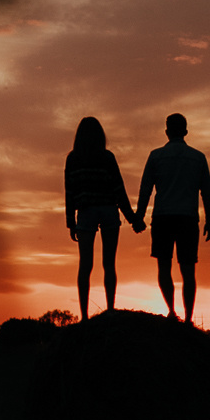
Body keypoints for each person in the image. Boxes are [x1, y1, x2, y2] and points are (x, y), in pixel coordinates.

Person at [136, 113, 210, 322]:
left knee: (164, 266)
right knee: (188, 270)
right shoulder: (198, 158)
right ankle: (188, 318)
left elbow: (145, 189)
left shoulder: (155, 156)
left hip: (163, 217)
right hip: (188, 218)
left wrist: (139, 216)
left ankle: (171, 311)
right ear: (186, 132)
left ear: (167, 132)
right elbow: (206, 191)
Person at [64, 116, 142, 320]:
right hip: (108, 210)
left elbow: (69, 191)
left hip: (86, 211)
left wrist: (70, 221)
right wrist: (132, 218)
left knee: (85, 265)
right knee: (109, 263)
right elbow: (119, 189)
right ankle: (110, 309)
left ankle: (84, 315)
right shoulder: (107, 158)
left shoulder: (73, 158)